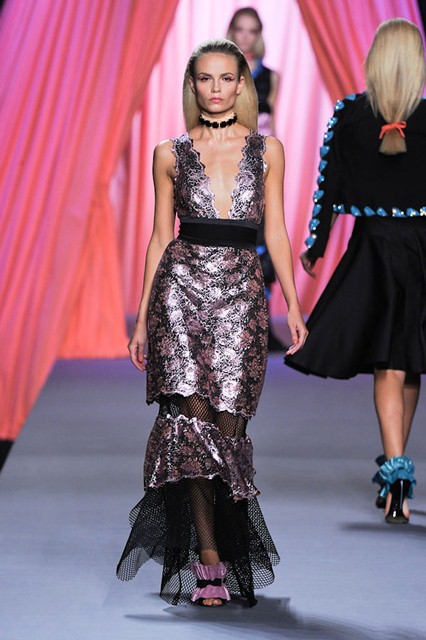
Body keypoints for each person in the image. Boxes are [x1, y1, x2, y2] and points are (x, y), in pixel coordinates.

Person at [116, 39, 307, 606]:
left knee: (230, 428)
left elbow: (276, 231)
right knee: (192, 428)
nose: (216, 88)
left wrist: (294, 304)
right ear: (192, 85)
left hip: (243, 294)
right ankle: (209, 560)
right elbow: (159, 238)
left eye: (227, 78)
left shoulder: (268, 150)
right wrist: (142, 320)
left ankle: (221, 543)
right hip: (180, 294)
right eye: (205, 78)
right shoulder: (169, 153)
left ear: (242, 84)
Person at [286, 18, 426, 525]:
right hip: (422, 250)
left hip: (374, 251)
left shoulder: (349, 116)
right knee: (408, 360)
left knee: (391, 361)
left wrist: (316, 246)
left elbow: (328, 186)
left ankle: (396, 472)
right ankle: (396, 472)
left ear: (374, 60)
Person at [227, 7, 283, 350]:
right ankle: (229, 324)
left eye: (252, 31)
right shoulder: (222, 73)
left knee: (264, 237)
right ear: (232, 31)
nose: (245, 36)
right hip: (227, 162)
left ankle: (261, 325)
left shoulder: (270, 77)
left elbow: (272, 123)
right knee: (231, 237)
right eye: (240, 29)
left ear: (258, 34)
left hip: (260, 163)